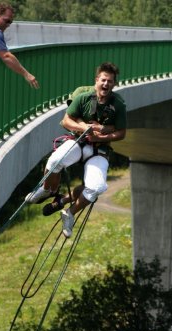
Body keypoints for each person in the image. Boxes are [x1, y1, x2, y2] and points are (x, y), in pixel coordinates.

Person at [26, 62, 127, 237]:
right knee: (55, 160)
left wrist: (102, 136)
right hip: (79, 142)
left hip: (99, 150)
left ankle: (69, 214)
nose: (106, 84)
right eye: (103, 80)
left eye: (110, 81)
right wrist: (84, 129)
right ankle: (47, 189)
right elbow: (66, 120)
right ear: (97, 80)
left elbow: (121, 133)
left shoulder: (118, 105)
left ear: (114, 84)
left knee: (96, 187)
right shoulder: (83, 98)